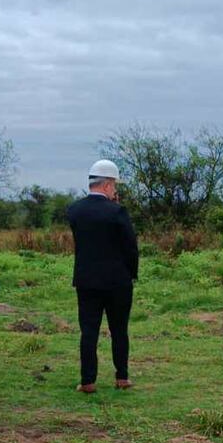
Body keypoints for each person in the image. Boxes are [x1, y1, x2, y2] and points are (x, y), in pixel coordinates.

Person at [67, 159, 139, 394]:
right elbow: (130, 246)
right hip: (117, 281)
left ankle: (87, 380)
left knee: (89, 331)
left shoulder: (75, 210)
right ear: (108, 185)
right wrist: (131, 273)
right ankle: (122, 377)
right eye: (115, 185)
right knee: (119, 330)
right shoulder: (117, 211)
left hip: (87, 281)